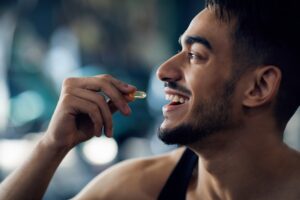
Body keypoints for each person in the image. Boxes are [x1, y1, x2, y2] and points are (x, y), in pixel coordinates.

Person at [1, 0, 300, 199]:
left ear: (259, 87)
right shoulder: (135, 189)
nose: (164, 71)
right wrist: (51, 146)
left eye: (195, 55)